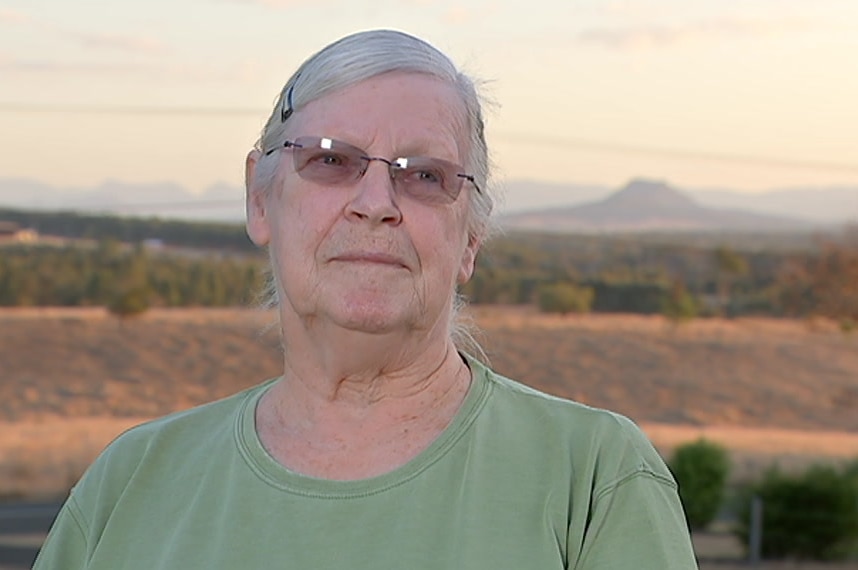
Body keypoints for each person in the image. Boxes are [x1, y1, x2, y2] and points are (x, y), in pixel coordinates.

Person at [34, 29, 699, 569]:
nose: (376, 203)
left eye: (426, 175)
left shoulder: (595, 477)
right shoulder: (132, 482)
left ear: (471, 237)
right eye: (330, 160)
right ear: (260, 199)